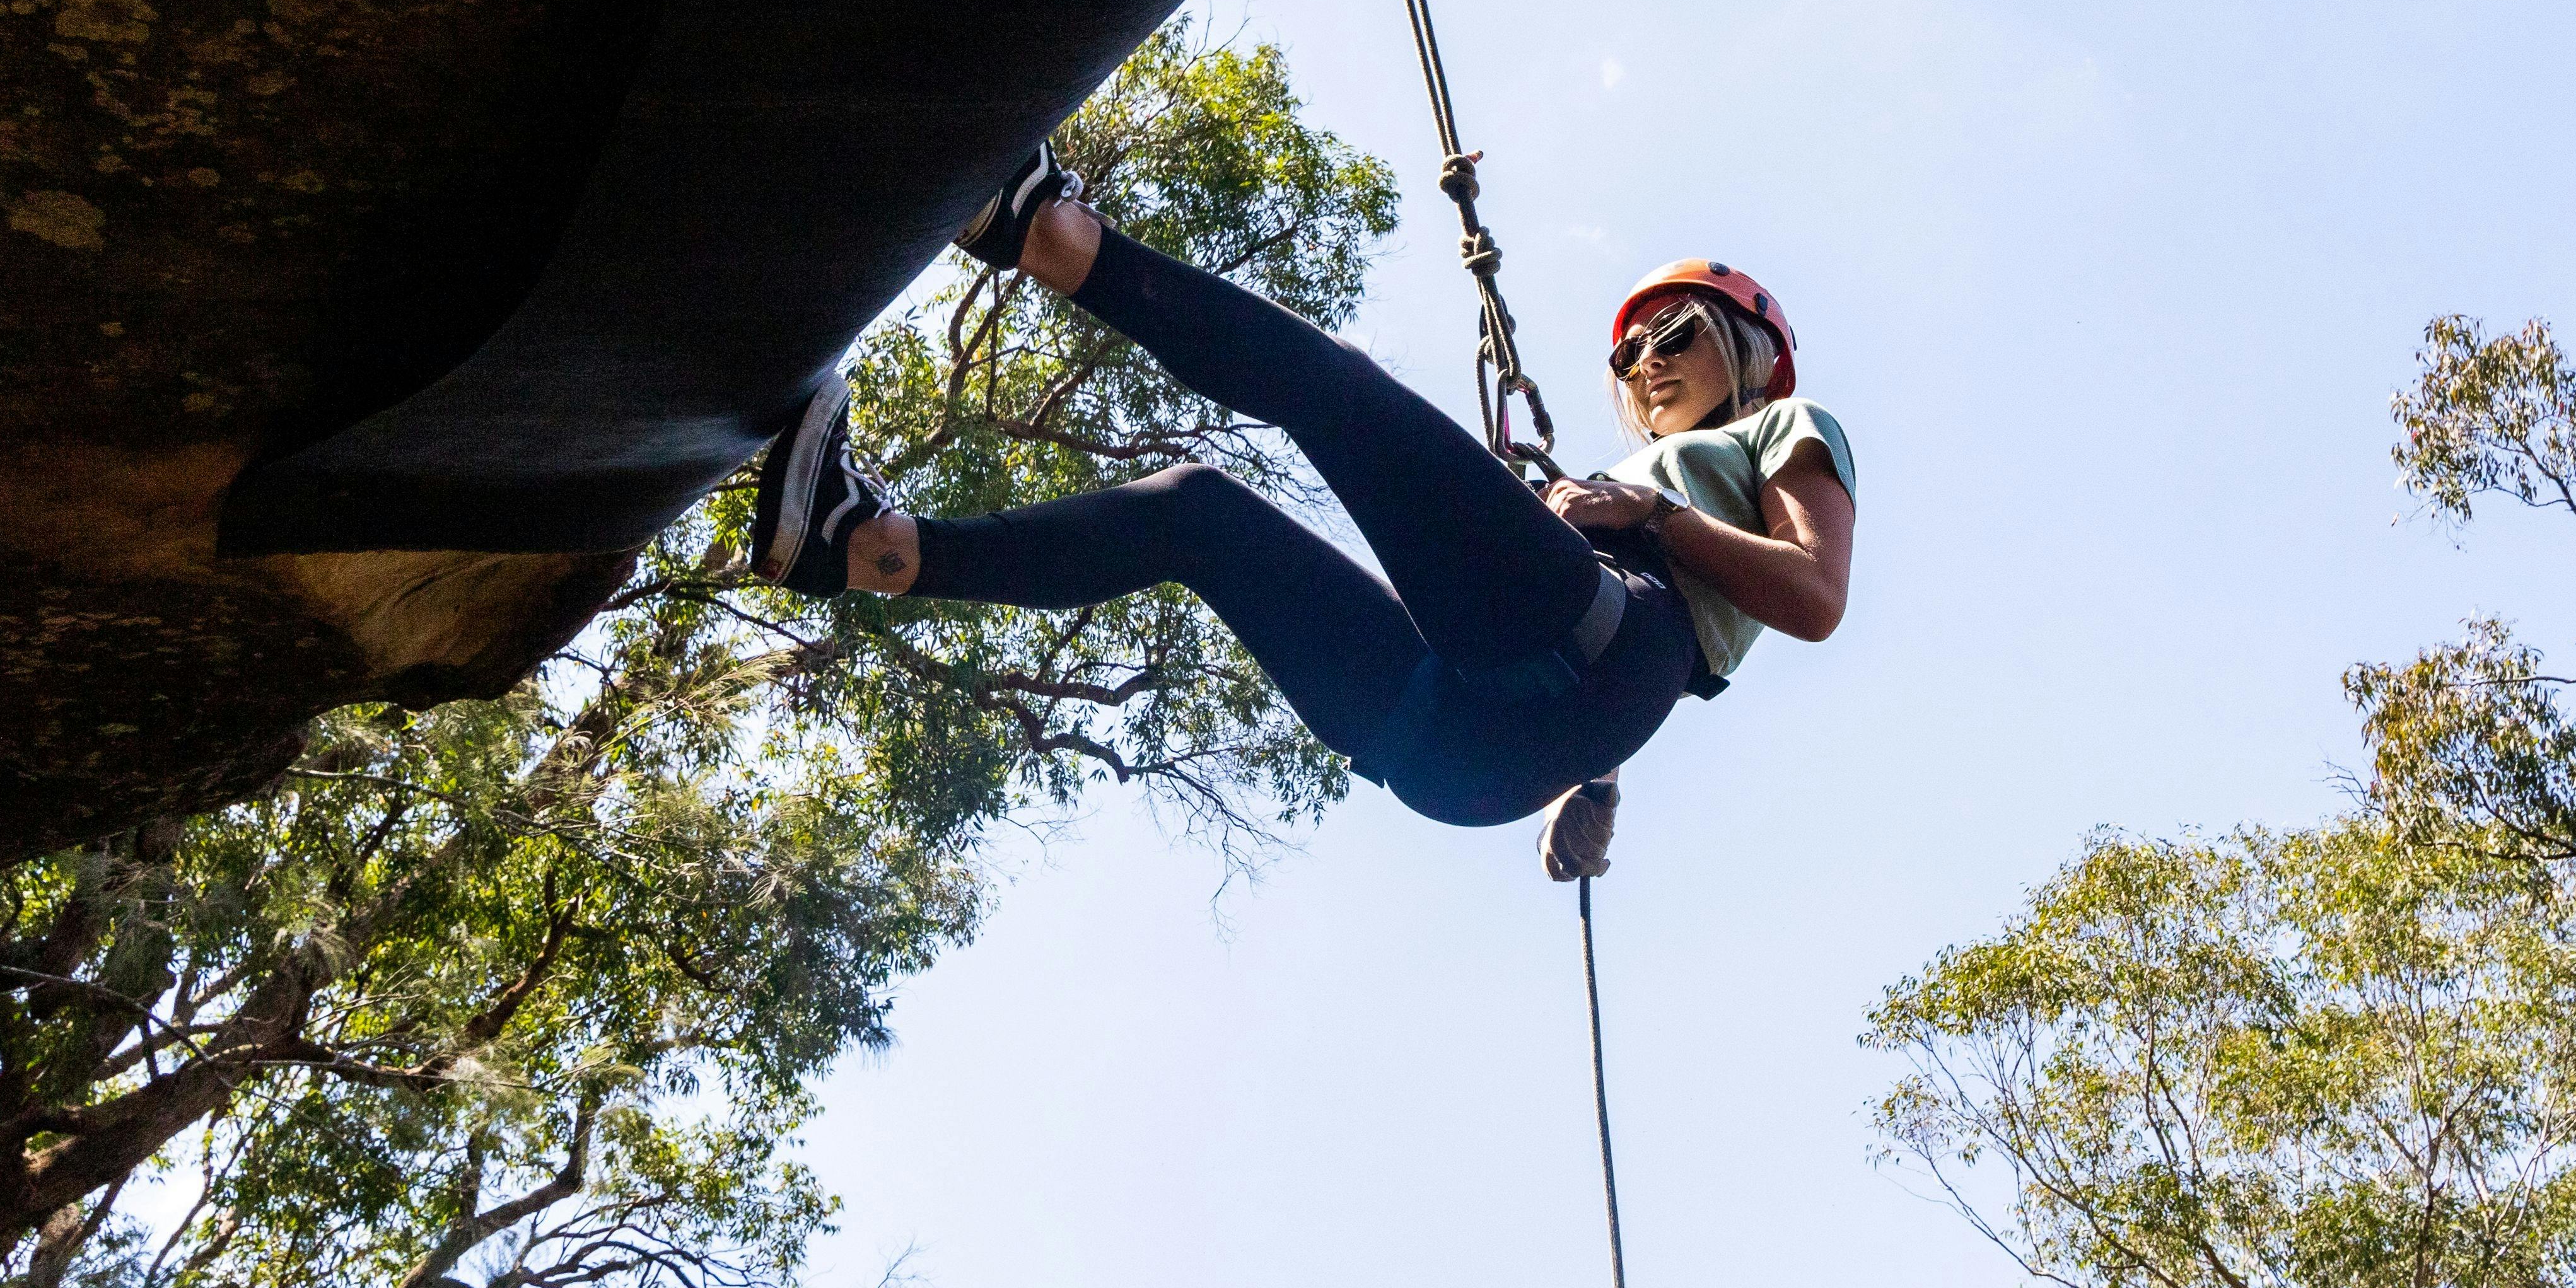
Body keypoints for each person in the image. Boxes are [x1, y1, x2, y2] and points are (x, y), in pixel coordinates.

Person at [748, 142, 1857, 855]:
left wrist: (1648, 516)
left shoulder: (1783, 432)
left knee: (1333, 392)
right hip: (1485, 741)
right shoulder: (1625, 500)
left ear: (1753, 348)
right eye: (1625, 359)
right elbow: (1627, 644)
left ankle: (1052, 235)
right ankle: (864, 546)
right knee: (1196, 509)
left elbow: (1810, 598)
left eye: (1672, 336)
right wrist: (1596, 789)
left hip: (1550, 690)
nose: (1645, 365)